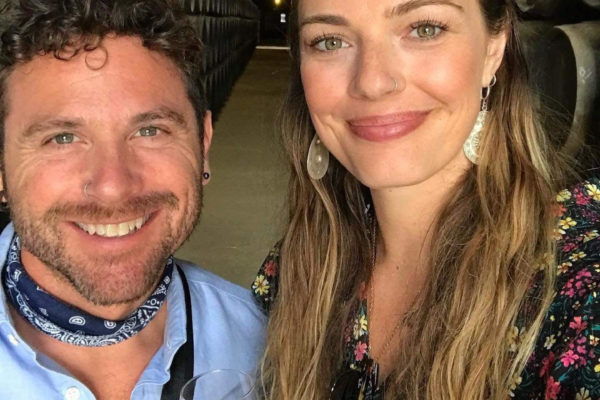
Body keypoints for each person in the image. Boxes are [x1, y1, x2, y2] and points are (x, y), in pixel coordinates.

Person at [252, 0, 600, 398]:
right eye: (330, 41)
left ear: (493, 47)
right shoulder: (294, 271)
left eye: (424, 29)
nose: (372, 82)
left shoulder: (583, 294)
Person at [0, 1, 265, 399]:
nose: (113, 186)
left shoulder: (263, 344)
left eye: (150, 131)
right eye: (62, 138)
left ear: (203, 143)